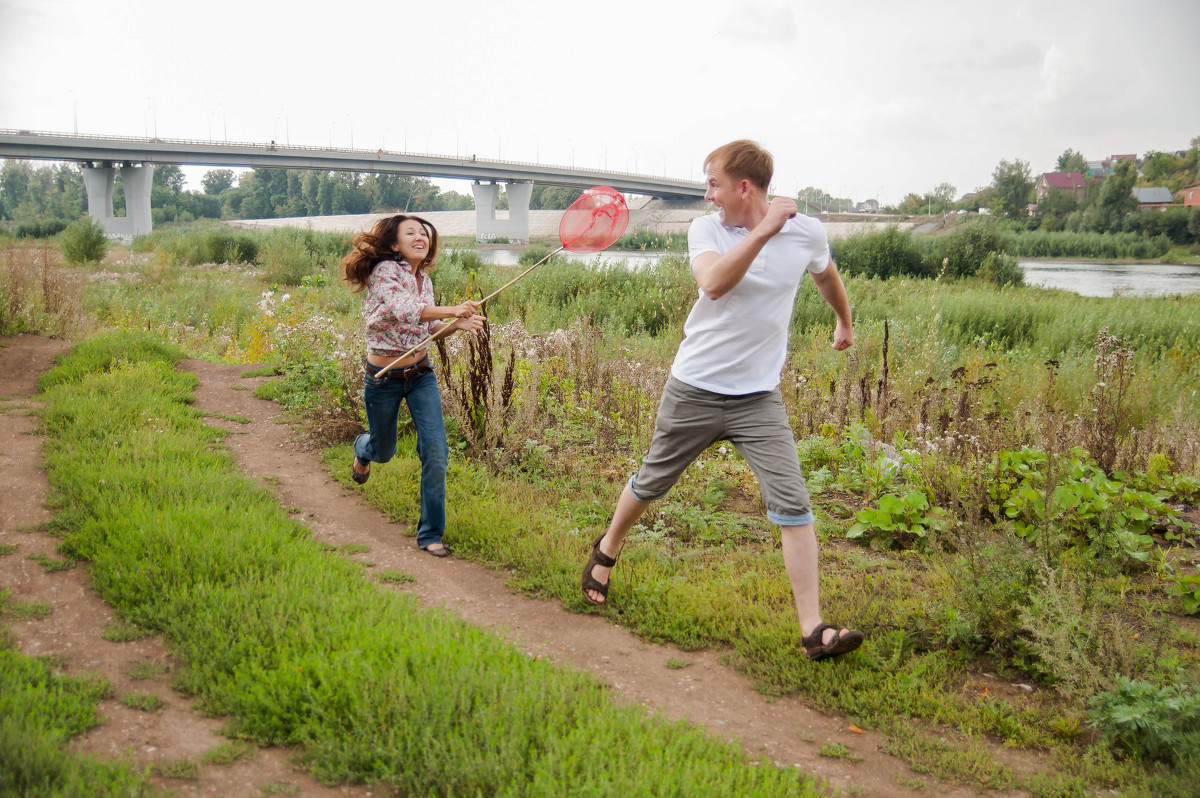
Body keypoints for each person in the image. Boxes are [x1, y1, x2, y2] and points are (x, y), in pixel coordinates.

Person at [580, 140, 864, 661]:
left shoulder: (807, 232)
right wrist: (764, 230)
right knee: (652, 481)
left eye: (713, 184)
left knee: (794, 503)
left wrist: (844, 321)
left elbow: (826, 277)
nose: (707, 195)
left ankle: (813, 629)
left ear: (743, 187)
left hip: (759, 398)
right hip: (695, 389)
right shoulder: (706, 230)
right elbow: (713, 284)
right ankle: (607, 548)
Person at [341, 215, 485, 558]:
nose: (421, 236)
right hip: (383, 379)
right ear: (394, 244)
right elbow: (406, 310)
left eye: (425, 233)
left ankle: (430, 534)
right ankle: (364, 450)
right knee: (384, 451)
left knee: (436, 451)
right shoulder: (385, 273)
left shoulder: (425, 281)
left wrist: (457, 324)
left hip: (420, 374)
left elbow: (428, 330)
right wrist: (454, 310)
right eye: (412, 233)